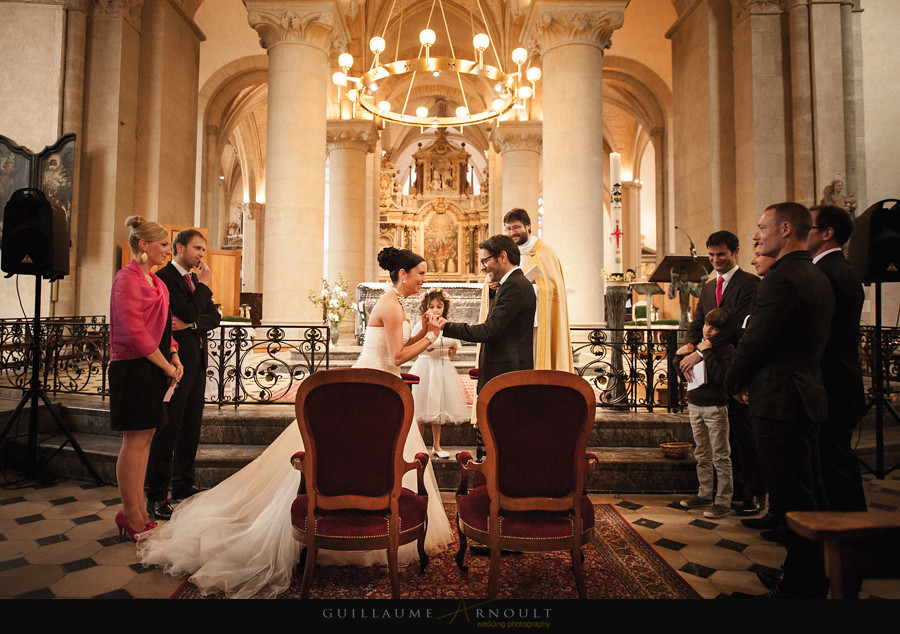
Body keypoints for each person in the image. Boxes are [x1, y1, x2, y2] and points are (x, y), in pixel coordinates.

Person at [137, 247, 452, 598]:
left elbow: (398, 348)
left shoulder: (395, 301)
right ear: (403, 274)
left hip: (380, 386)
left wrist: (422, 333)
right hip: (373, 391)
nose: (425, 280)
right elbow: (396, 356)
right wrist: (431, 338)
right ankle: (351, 522)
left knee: (357, 461)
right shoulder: (392, 304)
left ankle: (355, 524)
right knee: (359, 459)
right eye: (421, 273)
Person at [725, 202, 832, 599]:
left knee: (792, 502)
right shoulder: (814, 272)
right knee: (809, 495)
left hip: (781, 401)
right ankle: (808, 575)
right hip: (804, 395)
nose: (756, 235)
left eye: (761, 227)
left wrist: (733, 382)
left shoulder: (782, 279)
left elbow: (756, 341)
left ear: (785, 229)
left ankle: (801, 590)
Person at [679, 231, 764, 517]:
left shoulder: (749, 284)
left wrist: (702, 349)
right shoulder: (708, 285)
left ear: (735, 252)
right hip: (712, 369)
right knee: (713, 441)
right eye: (712, 255)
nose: (716, 260)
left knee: (742, 433)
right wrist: (690, 343)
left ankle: (751, 493)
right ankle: (713, 493)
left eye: (722, 255)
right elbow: (699, 319)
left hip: (736, 362)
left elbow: (737, 326)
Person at [109, 216, 183, 541]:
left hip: (155, 365)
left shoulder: (159, 283)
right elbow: (134, 332)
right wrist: (166, 366)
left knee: (146, 440)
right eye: (164, 245)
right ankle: (131, 514)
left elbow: (164, 328)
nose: (168, 250)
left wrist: (175, 356)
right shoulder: (126, 280)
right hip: (133, 367)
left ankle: (136, 511)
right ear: (144, 245)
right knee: (133, 442)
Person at [146, 229, 221, 520]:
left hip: (196, 362)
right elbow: (189, 311)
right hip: (174, 363)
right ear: (180, 248)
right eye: (197, 249)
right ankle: (156, 495)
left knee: (191, 425)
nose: (202, 255)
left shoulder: (192, 280)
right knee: (169, 429)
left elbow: (211, 317)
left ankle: (183, 483)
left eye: (203, 249)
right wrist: (202, 288)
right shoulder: (166, 278)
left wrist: (191, 325)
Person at [439, 235, 536, 459]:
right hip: (505, 371)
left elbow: (488, 331)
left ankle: (498, 485)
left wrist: (447, 326)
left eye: (486, 261)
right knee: (500, 438)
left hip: (506, 375)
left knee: (502, 439)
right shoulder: (513, 284)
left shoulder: (513, 287)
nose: (483, 268)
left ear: (502, 256)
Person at [807, 205, 867, 512]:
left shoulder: (826, 274)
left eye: (810, 226)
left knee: (833, 465)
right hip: (838, 380)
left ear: (827, 234)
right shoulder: (840, 269)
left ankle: (848, 540)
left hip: (830, 384)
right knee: (834, 461)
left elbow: (815, 335)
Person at [478, 208, 573, 372]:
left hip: (536, 323)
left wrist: (529, 287)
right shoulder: (501, 254)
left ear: (528, 226)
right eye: (508, 228)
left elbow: (553, 290)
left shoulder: (545, 253)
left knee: (536, 366)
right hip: (506, 324)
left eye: (516, 227)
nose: (511, 232)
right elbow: (490, 287)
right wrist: (493, 289)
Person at [676, 307, 735, 519]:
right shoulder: (698, 347)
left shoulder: (725, 350)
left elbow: (722, 378)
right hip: (695, 404)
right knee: (702, 453)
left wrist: (707, 353)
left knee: (720, 455)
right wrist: (679, 356)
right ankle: (704, 493)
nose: (708, 330)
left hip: (715, 407)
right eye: (707, 324)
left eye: (715, 328)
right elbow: (683, 372)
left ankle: (723, 501)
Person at [409, 288, 469, 459]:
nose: (435, 310)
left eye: (439, 307)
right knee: (420, 410)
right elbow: (414, 348)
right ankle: (418, 445)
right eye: (432, 306)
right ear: (425, 308)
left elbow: (451, 354)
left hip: (442, 368)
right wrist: (425, 347)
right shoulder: (420, 326)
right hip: (425, 367)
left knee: (438, 409)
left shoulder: (448, 326)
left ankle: (436, 445)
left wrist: (452, 350)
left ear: (445, 308)